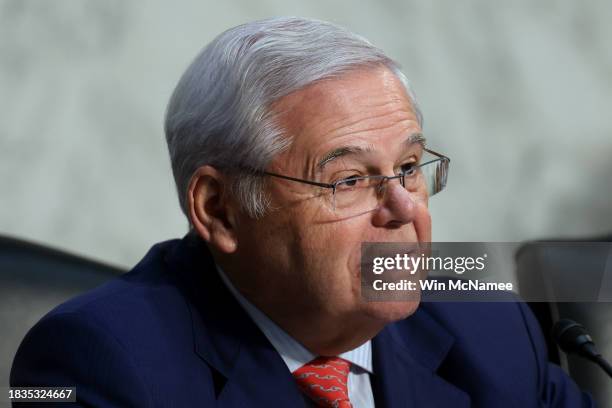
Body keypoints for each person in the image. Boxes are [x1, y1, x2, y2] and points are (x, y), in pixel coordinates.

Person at [11, 17, 593, 407]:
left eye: (410, 167)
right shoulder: (88, 365)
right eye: (347, 180)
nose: (400, 209)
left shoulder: (486, 324)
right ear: (220, 211)